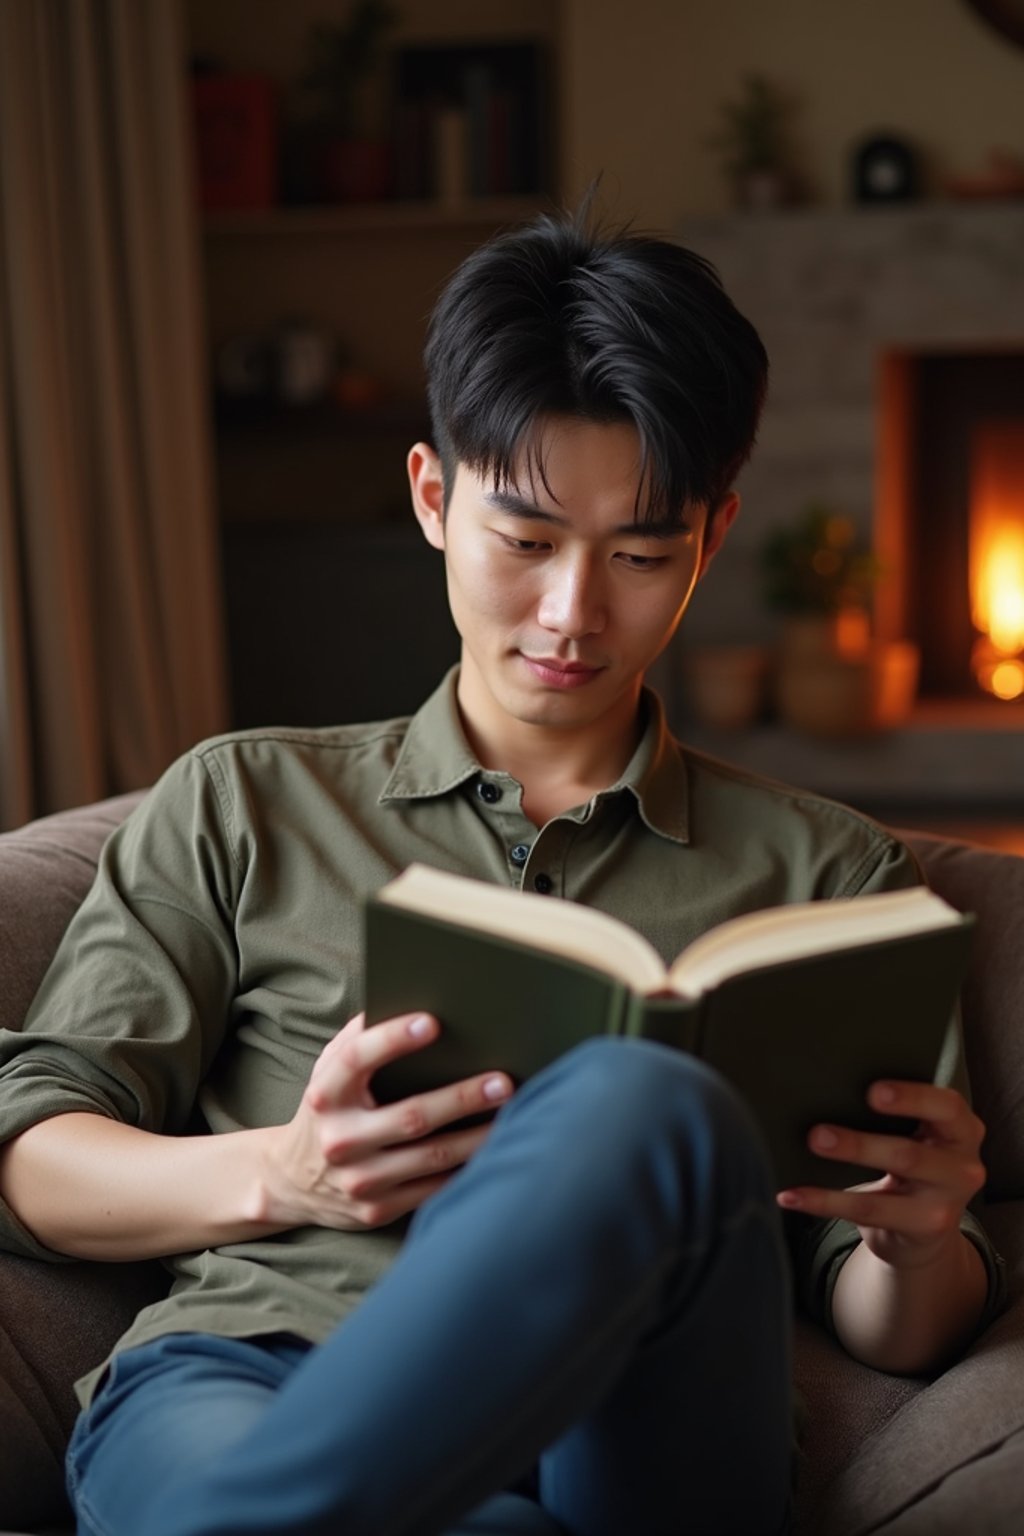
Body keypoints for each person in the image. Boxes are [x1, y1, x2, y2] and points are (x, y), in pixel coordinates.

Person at [0, 207, 1003, 1536]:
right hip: (261, 1378)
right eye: (526, 540)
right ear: (432, 495)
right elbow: (32, 1152)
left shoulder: (829, 869)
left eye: (642, 555)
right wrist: (284, 1173)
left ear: (712, 536)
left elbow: (890, 1323)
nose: (574, 613)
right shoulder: (247, 801)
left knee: (647, 1102)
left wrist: (919, 1240)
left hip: (640, 1436)